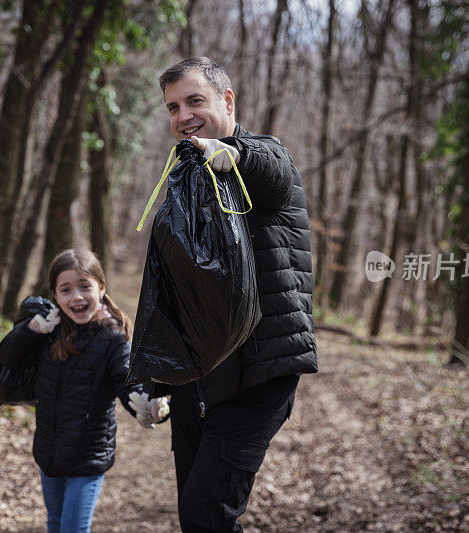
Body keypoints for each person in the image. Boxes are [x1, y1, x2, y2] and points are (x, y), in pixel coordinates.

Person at [136, 57, 318, 532]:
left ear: (227, 100)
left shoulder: (262, 155)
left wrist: (232, 154)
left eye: (195, 101)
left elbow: (270, 166)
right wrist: (157, 382)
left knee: (207, 515)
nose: (183, 116)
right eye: (173, 107)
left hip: (258, 372)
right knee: (197, 518)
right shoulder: (184, 178)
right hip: (199, 379)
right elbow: (172, 286)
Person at [0, 249, 168, 533]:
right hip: (49, 451)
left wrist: (145, 401)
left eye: (85, 286)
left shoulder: (114, 338)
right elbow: (8, 359)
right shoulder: (49, 329)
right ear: (56, 295)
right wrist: (31, 330)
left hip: (88, 457)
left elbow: (127, 380)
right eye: (66, 289)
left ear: (101, 288)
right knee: (55, 523)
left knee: (74, 529)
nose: (76, 297)